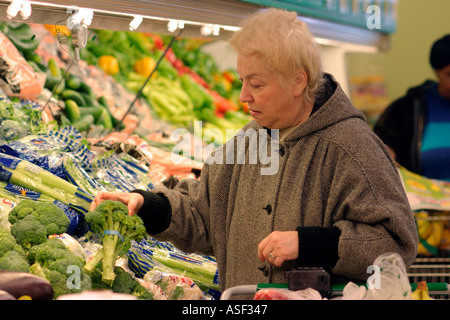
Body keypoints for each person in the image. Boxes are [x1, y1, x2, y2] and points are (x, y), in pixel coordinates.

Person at [90, 8, 418, 298]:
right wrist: (147, 205)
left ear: (298, 81)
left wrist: (311, 243)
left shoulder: (353, 148)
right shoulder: (247, 142)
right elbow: (202, 213)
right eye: (242, 81)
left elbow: (396, 244)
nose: (244, 95)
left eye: (257, 85)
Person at [374, 34, 450, 181]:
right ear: (436, 72)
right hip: (425, 201)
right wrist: (386, 153)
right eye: (449, 74)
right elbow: (380, 144)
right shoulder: (407, 109)